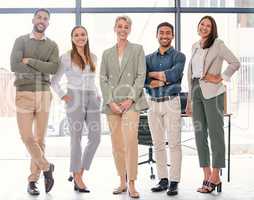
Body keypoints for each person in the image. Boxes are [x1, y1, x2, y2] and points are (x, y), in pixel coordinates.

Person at [185, 15, 240, 193]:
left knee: (215, 134)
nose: (204, 27)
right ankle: (206, 174)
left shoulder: (218, 44)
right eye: (202, 24)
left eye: (208, 25)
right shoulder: (194, 46)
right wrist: (189, 101)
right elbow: (191, 74)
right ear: (198, 26)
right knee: (199, 134)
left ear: (212, 28)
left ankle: (216, 175)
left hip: (213, 92)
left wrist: (220, 78)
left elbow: (235, 63)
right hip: (195, 91)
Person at [10, 8, 59, 196]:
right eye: (39, 17)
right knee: (25, 136)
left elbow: (53, 68)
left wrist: (29, 60)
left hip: (44, 94)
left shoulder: (52, 45)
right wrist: (41, 69)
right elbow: (15, 65)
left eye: (45, 18)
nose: (42, 20)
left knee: (40, 139)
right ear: (33, 20)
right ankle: (47, 167)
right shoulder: (21, 41)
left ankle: (33, 180)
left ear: (48, 23)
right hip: (24, 93)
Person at [100, 15, 147, 199]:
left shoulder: (137, 50)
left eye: (126, 27)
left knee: (130, 143)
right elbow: (103, 78)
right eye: (119, 26)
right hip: (112, 105)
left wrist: (130, 99)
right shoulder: (107, 53)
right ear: (114, 28)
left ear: (130, 29)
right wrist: (110, 101)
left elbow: (141, 75)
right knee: (117, 145)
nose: (122, 29)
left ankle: (132, 183)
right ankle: (122, 181)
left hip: (131, 104)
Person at [51, 25, 101, 193]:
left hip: (92, 97)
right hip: (75, 98)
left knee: (95, 138)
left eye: (83, 34)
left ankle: (80, 171)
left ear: (87, 37)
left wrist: (98, 94)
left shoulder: (93, 56)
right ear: (72, 38)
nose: (80, 37)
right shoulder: (65, 57)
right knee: (76, 138)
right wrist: (64, 95)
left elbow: (93, 79)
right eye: (77, 35)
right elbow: (54, 81)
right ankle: (77, 177)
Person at [145, 22, 186, 196]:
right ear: (157, 35)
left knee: (174, 143)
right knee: (158, 143)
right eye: (161, 32)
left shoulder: (179, 56)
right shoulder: (147, 58)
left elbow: (174, 75)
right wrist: (161, 78)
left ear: (173, 35)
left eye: (168, 33)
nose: (165, 35)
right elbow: (143, 80)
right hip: (153, 102)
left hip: (171, 102)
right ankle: (163, 179)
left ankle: (174, 181)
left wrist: (153, 75)